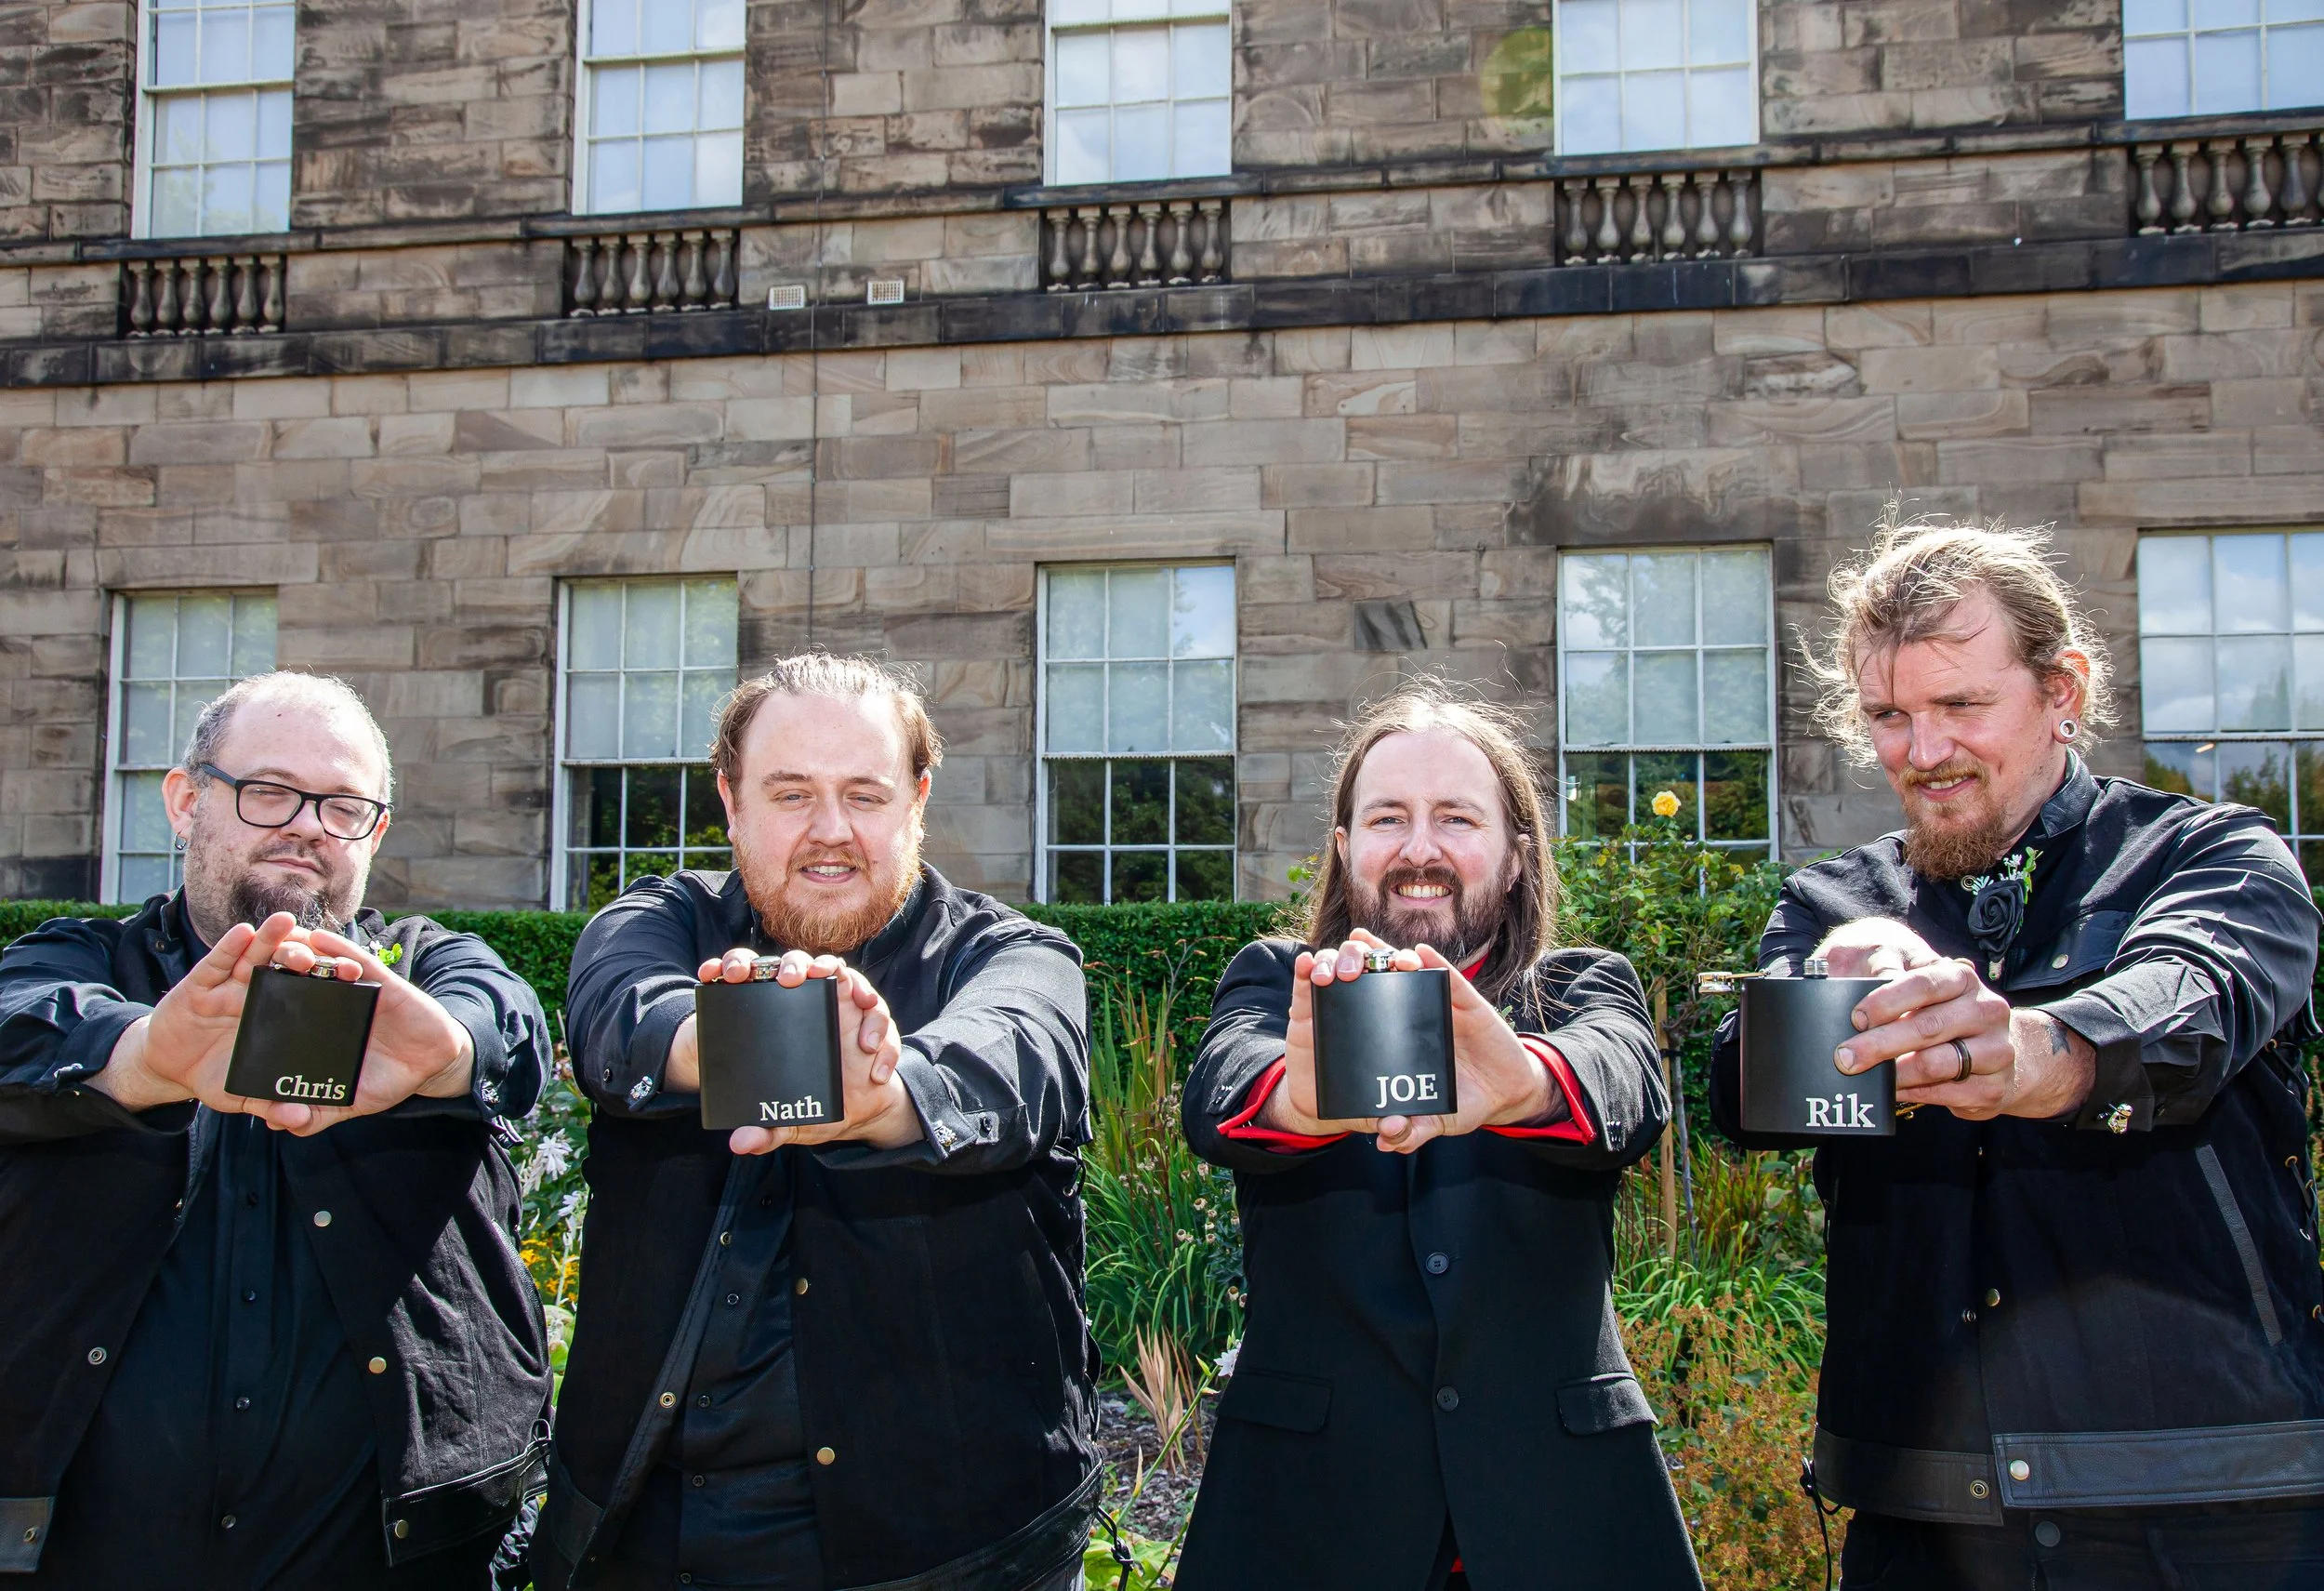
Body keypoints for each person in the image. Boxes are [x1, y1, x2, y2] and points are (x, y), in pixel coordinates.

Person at [1710, 521, 2324, 1589]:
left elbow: (2192, 999)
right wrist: (1826, 990)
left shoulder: (2213, 854)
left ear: (2060, 688)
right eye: (1889, 717)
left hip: (2208, 1503)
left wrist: (2034, 1050)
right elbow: (1741, 1097)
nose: (1922, 750)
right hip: (1921, 1513)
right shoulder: (1829, 899)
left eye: (1961, 706)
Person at [536, 654, 1096, 1591]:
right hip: (645, 1537)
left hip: (951, 1554)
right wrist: (751, 1053)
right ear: (730, 797)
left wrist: (889, 1094)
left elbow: (1014, 1051)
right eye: (791, 793)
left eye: (865, 796)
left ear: (917, 798)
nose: (829, 833)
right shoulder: (661, 920)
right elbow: (621, 1010)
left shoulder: (1013, 956)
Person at [0, 672, 554, 1588]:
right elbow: (21, 1023)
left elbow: (507, 1027)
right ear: (187, 802)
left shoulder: (423, 969)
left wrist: (441, 1053)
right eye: (269, 792)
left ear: (374, 834)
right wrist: (144, 1057)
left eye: (342, 806)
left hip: (390, 1557)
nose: (306, 824)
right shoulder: (85, 960)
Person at [1176, 687, 1701, 1591]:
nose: (1420, 849)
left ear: (1514, 854)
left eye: (1456, 818)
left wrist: (1522, 1082)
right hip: (1305, 1523)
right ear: (1344, 851)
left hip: (1563, 1520)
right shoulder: (1277, 980)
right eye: (1388, 818)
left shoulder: (1581, 987)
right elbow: (1222, 1093)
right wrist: (1306, 1098)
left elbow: (1624, 1089)